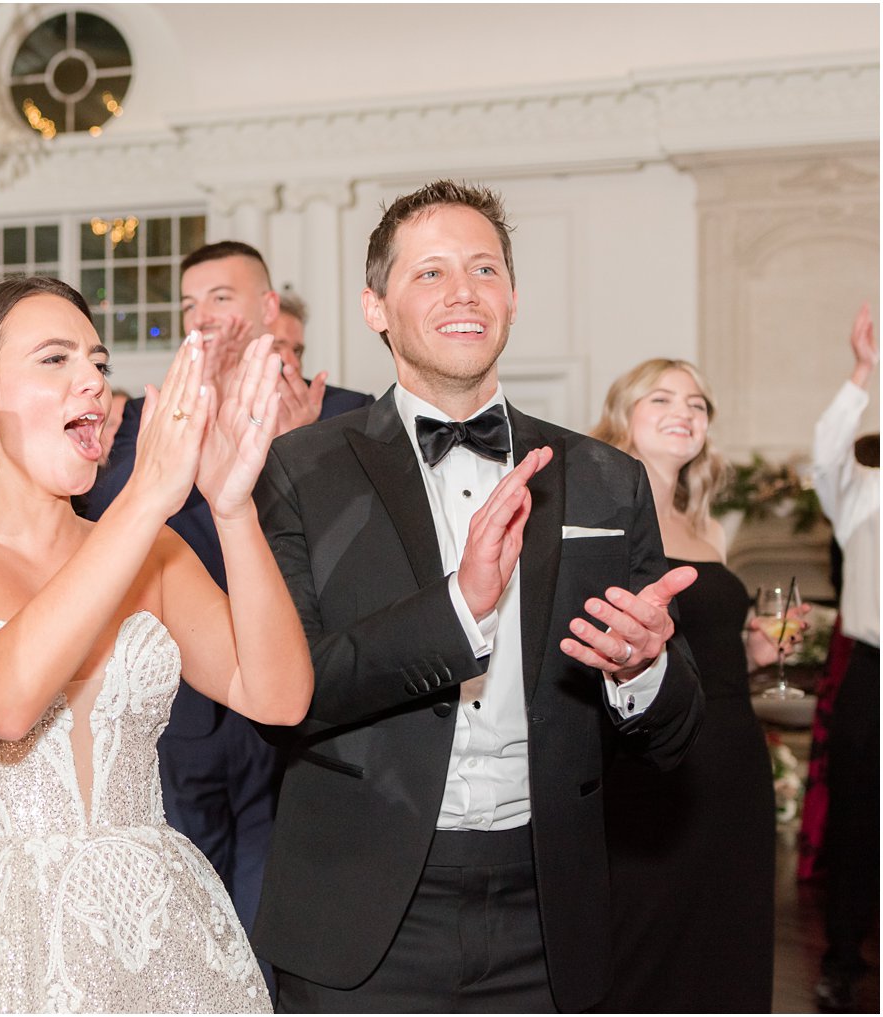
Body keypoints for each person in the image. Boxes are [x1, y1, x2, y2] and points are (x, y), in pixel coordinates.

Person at [252, 180, 704, 1012]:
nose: (463, 291)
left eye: (483, 269)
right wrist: (458, 610)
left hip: (549, 906)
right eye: (429, 273)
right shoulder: (301, 471)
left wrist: (641, 670)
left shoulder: (606, 478)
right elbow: (289, 692)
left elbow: (676, 731)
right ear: (375, 307)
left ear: (513, 298)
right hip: (361, 910)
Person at [0, 276, 313, 1013]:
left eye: (98, 361)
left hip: (157, 934)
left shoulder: (154, 552)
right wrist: (146, 495)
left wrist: (232, 507)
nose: (91, 378)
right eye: (55, 359)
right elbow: (3, 700)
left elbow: (278, 696)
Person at [84, 242, 370, 938]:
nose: (203, 316)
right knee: (194, 905)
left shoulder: (347, 415)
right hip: (191, 706)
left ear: (268, 308)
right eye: (190, 305)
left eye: (221, 297)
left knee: (282, 902)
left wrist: (301, 453)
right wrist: (181, 429)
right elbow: (106, 522)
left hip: (305, 702)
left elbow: (362, 556)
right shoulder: (159, 417)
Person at [590, 358, 782, 1012]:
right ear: (624, 418)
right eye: (662, 399)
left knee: (732, 934)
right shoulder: (607, 516)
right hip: (655, 761)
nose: (685, 413)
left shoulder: (710, 526)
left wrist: (755, 652)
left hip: (736, 758)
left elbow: (712, 652)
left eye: (697, 403)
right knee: (650, 937)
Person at [811, 303, 879, 1013]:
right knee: (860, 825)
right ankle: (840, 959)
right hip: (874, 674)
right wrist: (862, 372)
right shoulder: (863, 492)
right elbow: (827, 452)